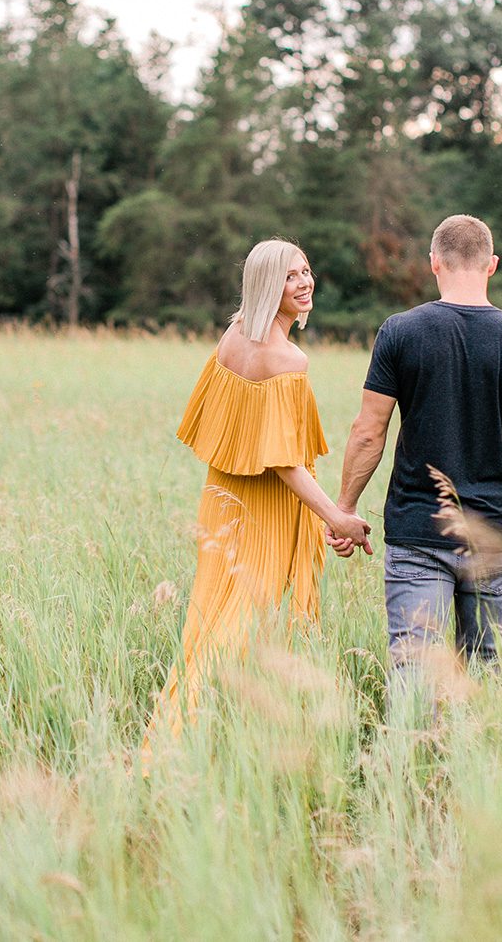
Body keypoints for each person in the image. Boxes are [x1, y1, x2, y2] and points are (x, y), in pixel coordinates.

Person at [327, 214, 502, 689]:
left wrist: (344, 508)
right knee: (488, 679)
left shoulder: (400, 332)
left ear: (435, 263)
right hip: (493, 534)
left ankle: (409, 764)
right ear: (492, 265)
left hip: (417, 531)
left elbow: (369, 431)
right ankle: (476, 763)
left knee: (413, 674)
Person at [144, 239, 369, 756]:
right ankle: (173, 744)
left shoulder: (231, 340)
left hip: (222, 501)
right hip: (263, 511)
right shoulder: (287, 360)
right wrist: (337, 516)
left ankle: (211, 731)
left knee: (211, 623)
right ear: (269, 285)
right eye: (291, 276)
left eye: (307, 271)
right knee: (233, 629)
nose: (306, 282)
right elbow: (285, 461)